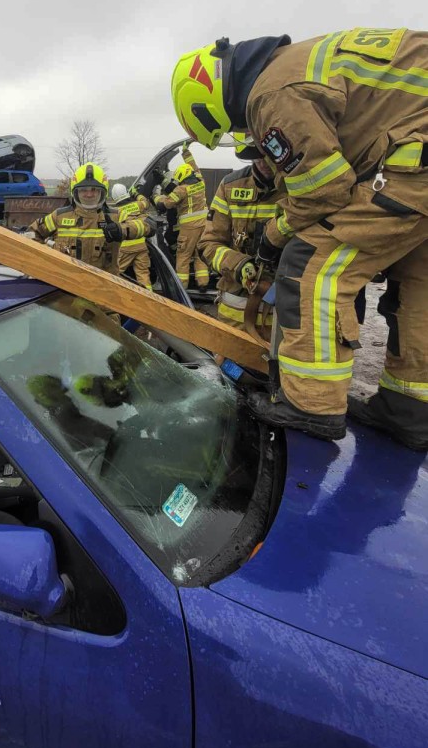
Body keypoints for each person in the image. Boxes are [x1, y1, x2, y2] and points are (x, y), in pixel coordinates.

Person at [170, 28, 428, 448]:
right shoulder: (298, 65)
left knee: (311, 266)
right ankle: (410, 409)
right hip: (416, 158)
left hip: (414, 165)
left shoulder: (270, 93)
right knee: (417, 280)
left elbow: (325, 190)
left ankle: (312, 406)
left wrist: (274, 236)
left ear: (212, 106)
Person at [200, 141, 281, 332]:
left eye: (268, 155)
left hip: (285, 317)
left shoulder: (300, 186)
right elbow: (208, 244)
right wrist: (239, 265)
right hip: (234, 312)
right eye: (256, 156)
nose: (262, 162)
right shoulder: (230, 186)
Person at [29, 162, 152, 274]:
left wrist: (122, 229)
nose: (89, 194)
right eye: (83, 190)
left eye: (94, 189)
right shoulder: (59, 216)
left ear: (103, 192)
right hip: (65, 286)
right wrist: (47, 259)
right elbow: (30, 234)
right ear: (75, 192)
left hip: (104, 286)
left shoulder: (115, 216)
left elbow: (149, 225)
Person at [153, 146, 209, 290]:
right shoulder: (201, 182)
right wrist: (186, 152)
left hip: (189, 229)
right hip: (204, 225)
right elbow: (194, 166)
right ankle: (203, 283)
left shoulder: (181, 189)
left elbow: (166, 204)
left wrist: (156, 197)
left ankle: (181, 287)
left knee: (183, 255)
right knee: (199, 254)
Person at [111, 183, 153, 290]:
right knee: (143, 273)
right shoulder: (138, 205)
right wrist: (136, 194)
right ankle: (149, 295)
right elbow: (146, 202)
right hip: (141, 245)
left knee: (115, 273)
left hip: (126, 247)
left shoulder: (116, 212)